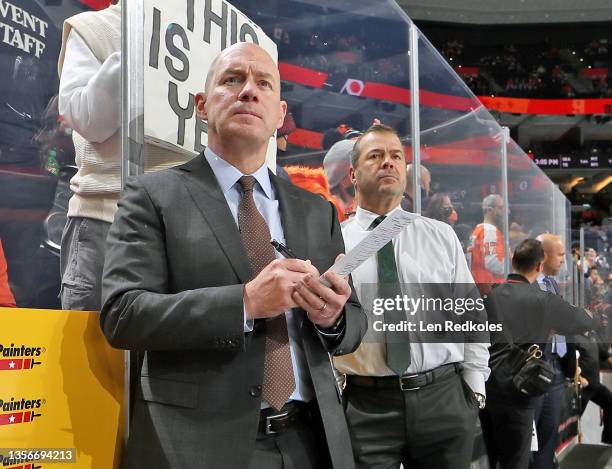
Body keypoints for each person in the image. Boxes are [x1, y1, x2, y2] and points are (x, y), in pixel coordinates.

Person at [100, 42, 367, 469]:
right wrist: (245, 303)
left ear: (280, 116)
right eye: (232, 80)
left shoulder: (317, 210)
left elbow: (353, 323)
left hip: (311, 442)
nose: (249, 91)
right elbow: (122, 314)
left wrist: (332, 317)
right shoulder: (152, 195)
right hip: (198, 445)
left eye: (263, 83)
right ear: (202, 106)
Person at [334, 124, 490, 469]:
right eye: (375, 156)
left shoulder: (441, 236)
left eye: (395, 156)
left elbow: (471, 315)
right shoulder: (334, 245)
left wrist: (474, 389)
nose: (387, 163)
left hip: (444, 398)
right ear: (353, 174)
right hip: (365, 405)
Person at [57, 1, 189, 311]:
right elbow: (87, 119)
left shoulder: (200, 38)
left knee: (166, 350)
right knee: (88, 349)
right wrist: (140, 45)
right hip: (105, 216)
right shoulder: (93, 28)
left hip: (180, 225)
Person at [480, 238, 594, 469]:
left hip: (489, 387)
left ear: (512, 260)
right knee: (519, 459)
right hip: (522, 388)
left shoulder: (491, 296)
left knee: (495, 456)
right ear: (539, 266)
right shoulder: (542, 300)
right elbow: (580, 322)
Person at [531, 233, 574, 469]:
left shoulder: (551, 283)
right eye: (559, 255)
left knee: (548, 439)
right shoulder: (526, 284)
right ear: (544, 255)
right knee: (529, 439)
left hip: (556, 368)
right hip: (535, 368)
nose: (563, 261)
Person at [469, 194, 506, 286]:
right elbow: (491, 263)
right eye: (501, 208)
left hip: (480, 284)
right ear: (490, 210)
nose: (505, 212)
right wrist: (511, 265)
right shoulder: (489, 231)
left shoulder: (478, 230)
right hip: (489, 286)